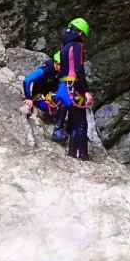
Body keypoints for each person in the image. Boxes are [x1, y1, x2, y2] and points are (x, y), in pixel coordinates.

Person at [57, 17, 93, 161]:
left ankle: (72, 154)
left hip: (65, 89)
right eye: (84, 36)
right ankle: (83, 156)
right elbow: (78, 68)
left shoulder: (64, 47)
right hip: (75, 88)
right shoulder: (77, 45)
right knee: (82, 123)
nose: (84, 39)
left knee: (73, 121)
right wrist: (86, 91)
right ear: (80, 33)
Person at [22, 51, 68, 143]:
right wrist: (29, 98)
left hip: (51, 94)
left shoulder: (60, 72)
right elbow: (27, 80)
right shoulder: (45, 70)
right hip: (41, 98)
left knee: (65, 102)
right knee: (48, 107)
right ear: (57, 64)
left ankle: (58, 130)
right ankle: (57, 129)